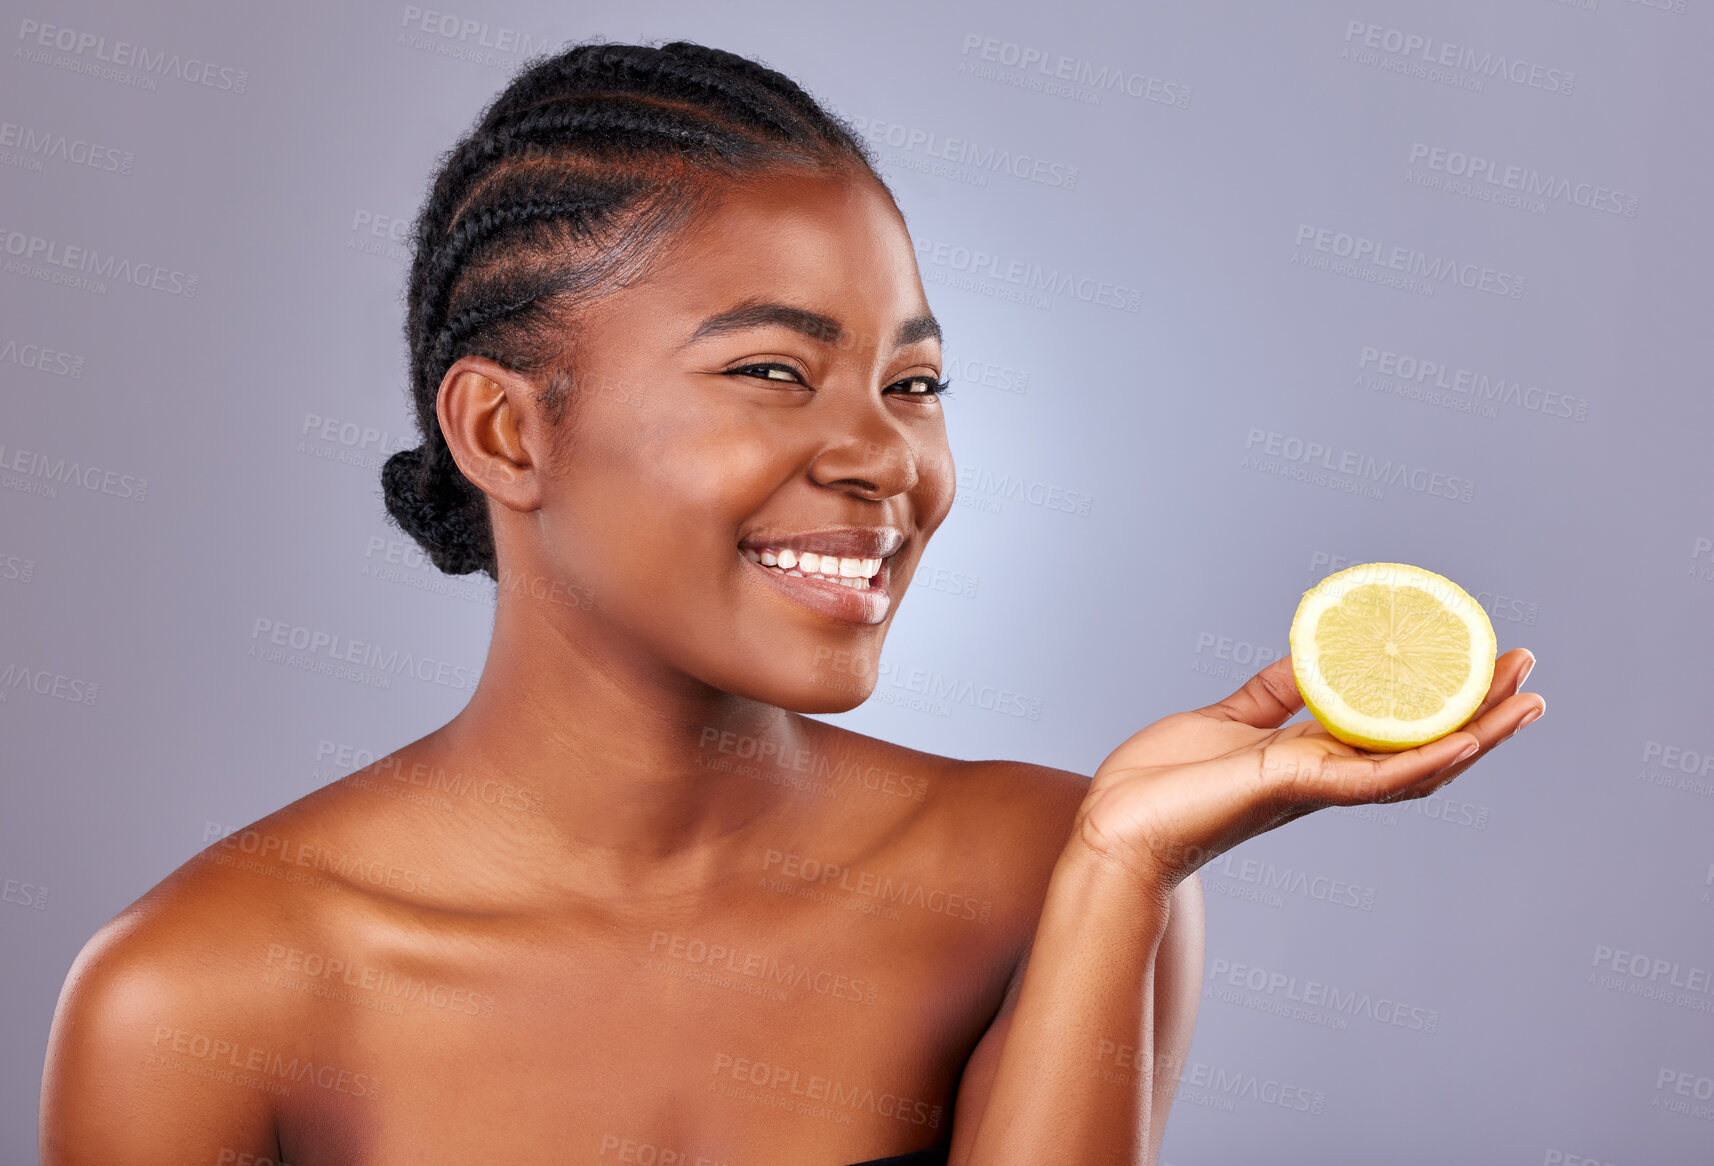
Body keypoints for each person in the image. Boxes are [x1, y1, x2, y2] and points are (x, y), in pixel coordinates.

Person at [38, 38, 1544, 1165]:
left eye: (916, 383)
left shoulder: (1039, 874)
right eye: (771, 369)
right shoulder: (197, 993)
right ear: (506, 430)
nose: (883, 453)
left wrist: (1116, 874)